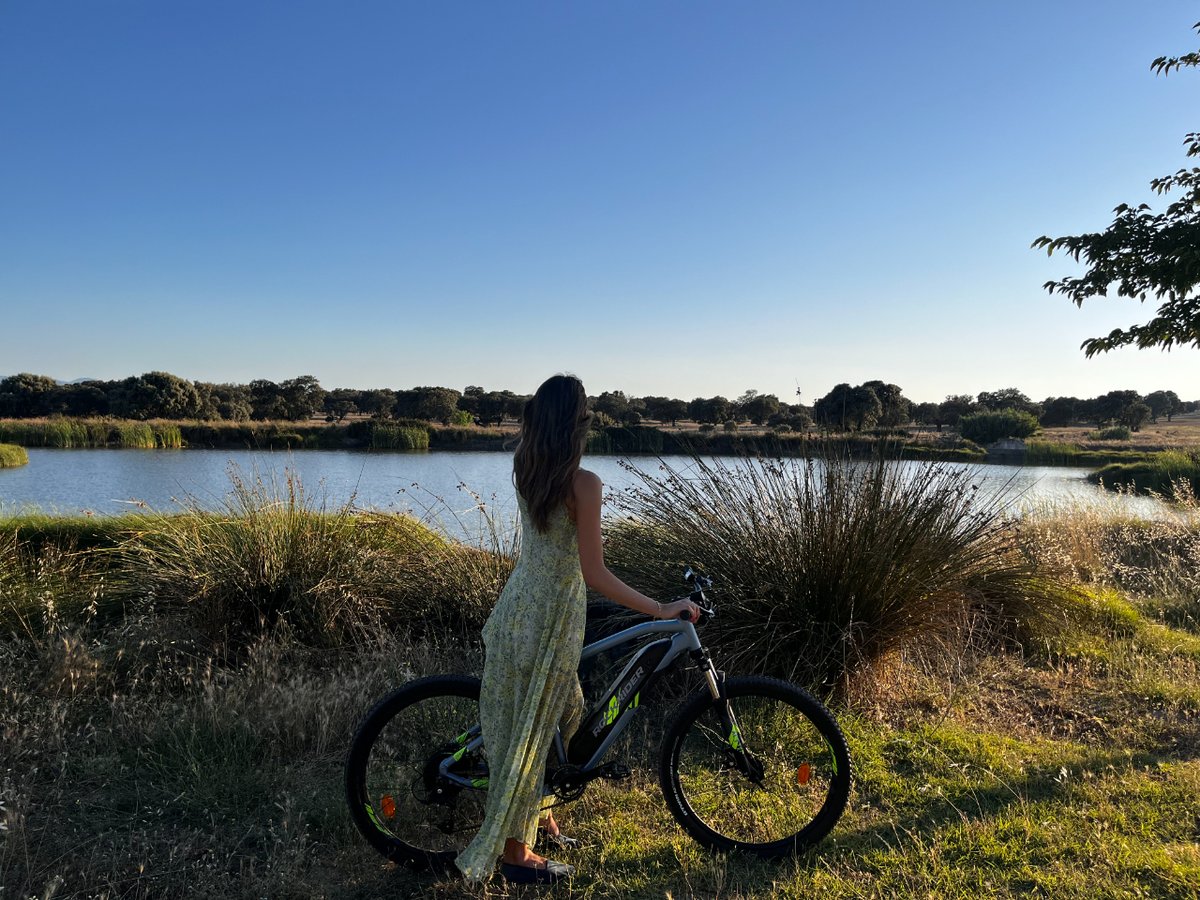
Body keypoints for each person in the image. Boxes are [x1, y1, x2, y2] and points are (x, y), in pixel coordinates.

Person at [454, 374, 699, 886]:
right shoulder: (583, 485)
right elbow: (594, 573)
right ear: (579, 422)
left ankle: (541, 816)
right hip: (554, 614)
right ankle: (518, 855)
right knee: (536, 726)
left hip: (520, 602)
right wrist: (658, 608)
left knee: (563, 712)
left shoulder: (526, 466)